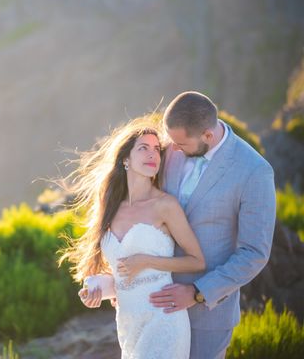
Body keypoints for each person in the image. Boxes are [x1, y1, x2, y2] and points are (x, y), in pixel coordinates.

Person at [59, 116, 206, 359]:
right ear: (125, 158)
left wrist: (147, 261)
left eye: (157, 149)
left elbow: (197, 261)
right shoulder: (109, 207)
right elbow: (121, 271)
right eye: (143, 148)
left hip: (163, 317)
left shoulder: (165, 205)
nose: (152, 155)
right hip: (128, 322)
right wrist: (97, 292)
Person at [148, 91, 276, 359]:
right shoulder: (172, 149)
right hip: (154, 303)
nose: (173, 149)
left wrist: (197, 293)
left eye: (181, 143)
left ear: (207, 135)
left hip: (207, 317)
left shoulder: (255, 171)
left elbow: (254, 253)